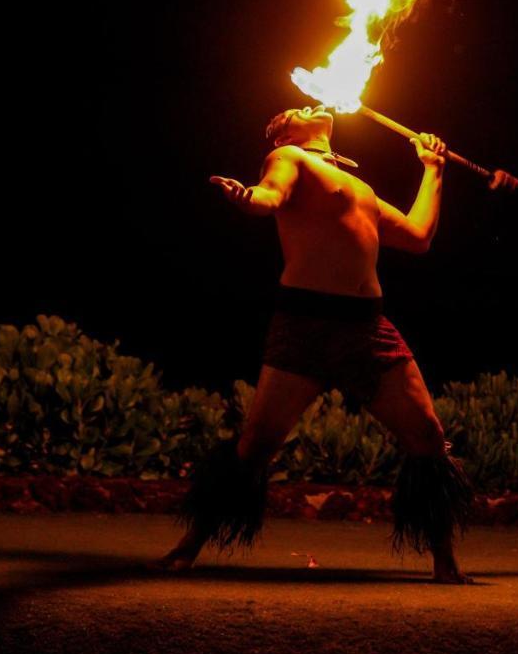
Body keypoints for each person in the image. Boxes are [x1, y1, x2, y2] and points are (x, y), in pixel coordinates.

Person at [152, 103, 475, 584]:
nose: (308, 103)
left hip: (367, 328)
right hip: (304, 324)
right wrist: (248, 199)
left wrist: (432, 170)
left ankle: (444, 561)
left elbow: (418, 236)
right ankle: (189, 545)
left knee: (427, 438)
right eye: (293, 109)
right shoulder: (289, 157)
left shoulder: (360, 187)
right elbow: (270, 196)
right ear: (280, 132)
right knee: (256, 446)